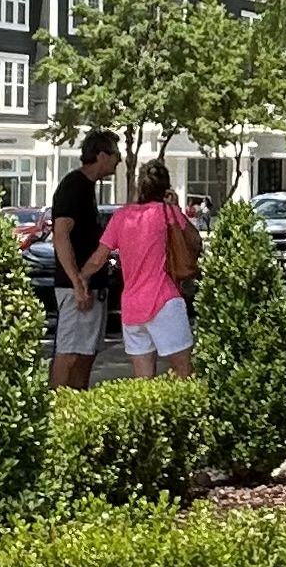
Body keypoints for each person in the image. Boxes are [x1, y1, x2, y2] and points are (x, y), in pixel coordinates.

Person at [103, 158, 203, 377]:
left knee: (143, 381)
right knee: (183, 371)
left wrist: (79, 278)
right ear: (166, 187)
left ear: (141, 185)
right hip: (165, 299)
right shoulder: (167, 212)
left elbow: (99, 257)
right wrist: (176, 208)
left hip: (132, 306)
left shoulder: (121, 216)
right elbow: (195, 242)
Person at [46, 129, 120, 388]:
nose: (119, 160)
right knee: (69, 353)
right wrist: (78, 282)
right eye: (115, 154)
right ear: (101, 155)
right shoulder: (74, 186)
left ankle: (77, 407)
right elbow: (61, 235)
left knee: (87, 352)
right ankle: (56, 409)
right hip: (76, 287)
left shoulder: (88, 188)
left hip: (92, 286)